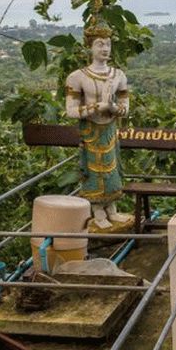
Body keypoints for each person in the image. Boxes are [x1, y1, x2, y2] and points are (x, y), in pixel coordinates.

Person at [65, 16, 130, 230]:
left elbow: (125, 107)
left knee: (112, 168)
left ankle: (112, 209)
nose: (105, 49)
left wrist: (111, 108)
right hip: (91, 130)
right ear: (90, 47)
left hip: (110, 129)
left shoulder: (119, 75)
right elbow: (71, 111)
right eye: (100, 44)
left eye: (108, 44)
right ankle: (98, 211)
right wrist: (97, 108)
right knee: (94, 170)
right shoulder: (77, 77)